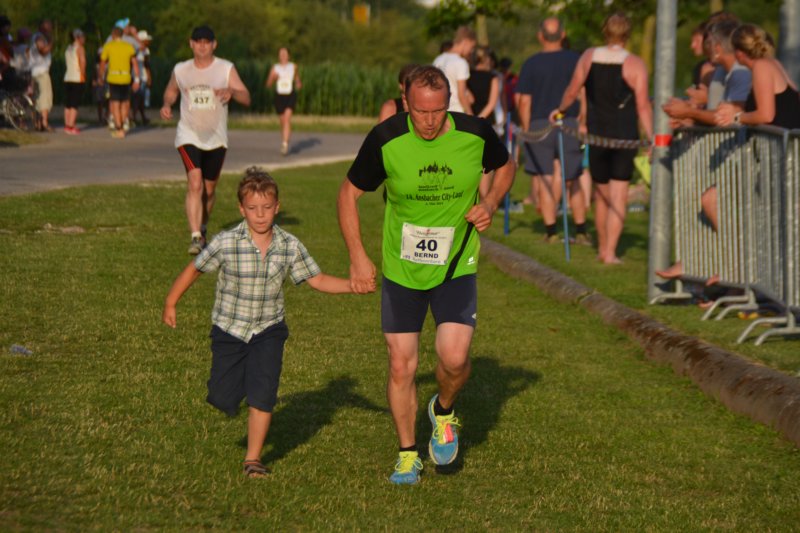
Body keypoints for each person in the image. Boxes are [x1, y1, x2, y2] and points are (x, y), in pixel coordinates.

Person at [337, 65, 516, 484]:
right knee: (402, 365)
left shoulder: (475, 133)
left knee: (454, 359)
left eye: (438, 111)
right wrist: (358, 256)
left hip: (456, 264)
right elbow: (348, 194)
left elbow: (506, 166)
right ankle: (407, 454)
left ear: (449, 103)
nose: (430, 121)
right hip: (402, 268)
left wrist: (490, 203)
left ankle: (444, 410)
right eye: (421, 112)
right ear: (406, 103)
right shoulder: (386, 139)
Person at [163, 167, 354, 478]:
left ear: (277, 207)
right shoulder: (226, 242)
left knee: (263, 395)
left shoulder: (289, 244)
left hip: (269, 330)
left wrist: (351, 285)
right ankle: (233, 391)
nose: (260, 214)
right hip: (230, 329)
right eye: (253, 208)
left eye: (267, 207)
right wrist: (171, 302)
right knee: (223, 396)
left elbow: (316, 279)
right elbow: (195, 269)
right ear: (242, 209)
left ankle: (253, 459)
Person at [552, 12, 652, 264]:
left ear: (604, 31)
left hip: (598, 134)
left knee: (602, 195)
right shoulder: (635, 64)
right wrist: (651, 138)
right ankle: (610, 252)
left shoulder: (589, 56)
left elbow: (572, 90)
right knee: (618, 195)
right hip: (624, 136)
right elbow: (643, 106)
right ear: (627, 34)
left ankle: (602, 248)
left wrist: (560, 111)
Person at [160, 25, 251, 255]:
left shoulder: (225, 68)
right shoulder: (181, 69)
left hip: (216, 138)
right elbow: (171, 90)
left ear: (214, 44)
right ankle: (194, 237)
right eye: (198, 41)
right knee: (195, 183)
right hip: (188, 134)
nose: (202, 46)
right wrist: (167, 104)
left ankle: (202, 228)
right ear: (191, 44)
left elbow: (246, 97)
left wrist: (232, 91)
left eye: (206, 42)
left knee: (209, 191)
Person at [517, 17, 589, 245]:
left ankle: (551, 232)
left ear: (540, 36)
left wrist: (527, 129)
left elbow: (524, 101)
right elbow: (583, 92)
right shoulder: (576, 60)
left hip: (540, 124)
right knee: (573, 177)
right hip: (569, 122)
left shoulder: (531, 63)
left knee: (545, 178)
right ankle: (581, 230)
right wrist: (582, 119)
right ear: (563, 34)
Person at [714, 24, 800, 130]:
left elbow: (766, 116)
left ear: (739, 53)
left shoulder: (761, 67)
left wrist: (736, 117)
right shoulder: (772, 62)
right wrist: (736, 109)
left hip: (780, 138)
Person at [100, 26, 140, 138]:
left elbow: (102, 63)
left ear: (113, 35)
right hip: (126, 78)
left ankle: (119, 128)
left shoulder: (108, 46)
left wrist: (100, 77)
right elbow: (135, 64)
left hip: (113, 78)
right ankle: (123, 123)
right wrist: (137, 79)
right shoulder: (128, 46)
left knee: (115, 103)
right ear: (122, 35)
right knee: (125, 103)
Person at [266, 47, 301, 155]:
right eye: (281, 54)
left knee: (287, 119)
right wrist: (274, 78)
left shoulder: (293, 66)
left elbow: (297, 80)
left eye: (285, 53)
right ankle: (284, 140)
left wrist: (298, 83)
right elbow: (268, 84)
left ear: (288, 55)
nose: (283, 56)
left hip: (290, 94)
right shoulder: (275, 68)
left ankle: (285, 144)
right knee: (282, 121)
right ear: (278, 56)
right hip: (279, 96)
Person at [433, 26, 476, 114]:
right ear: (466, 42)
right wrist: (471, 117)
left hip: (441, 110)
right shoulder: (461, 62)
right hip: (457, 111)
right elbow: (461, 95)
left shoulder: (438, 60)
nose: (471, 51)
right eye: (471, 47)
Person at [29, 20, 53, 131]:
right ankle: (44, 122)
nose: (50, 29)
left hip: (34, 71)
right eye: (49, 27)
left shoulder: (35, 37)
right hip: (41, 72)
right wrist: (51, 43)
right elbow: (43, 50)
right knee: (45, 97)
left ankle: (37, 123)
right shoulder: (39, 37)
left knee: (36, 98)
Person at [63, 29, 86, 135]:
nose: (84, 39)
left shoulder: (68, 48)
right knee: (74, 103)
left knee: (68, 103)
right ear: (77, 38)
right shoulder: (80, 48)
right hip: (77, 77)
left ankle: (67, 124)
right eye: (82, 37)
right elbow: (82, 61)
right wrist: (83, 74)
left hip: (68, 77)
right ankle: (71, 125)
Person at [132, 29, 153, 126]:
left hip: (143, 77)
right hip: (135, 77)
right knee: (137, 97)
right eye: (146, 40)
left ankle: (140, 117)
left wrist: (149, 76)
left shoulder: (146, 51)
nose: (148, 42)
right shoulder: (133, 49)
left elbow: (147, 64)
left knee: (140, 98)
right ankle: (134, 117)